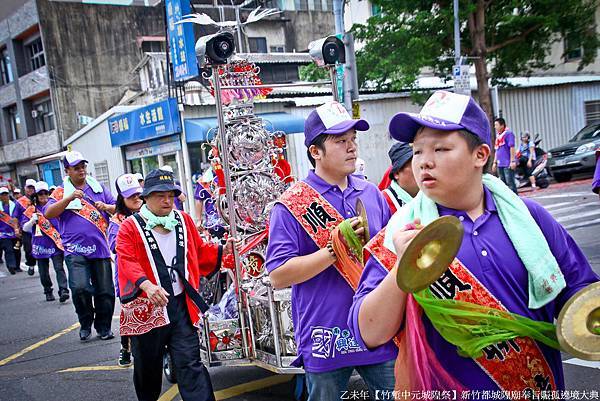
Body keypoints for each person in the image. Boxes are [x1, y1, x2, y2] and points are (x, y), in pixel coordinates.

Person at [349, 90, 600, 393]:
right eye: (417, 151)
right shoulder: (403, 233)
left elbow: (581, 295)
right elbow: (369, 332)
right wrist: (403, 267)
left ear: (480, 155)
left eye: (440, 149)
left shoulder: (528, 219)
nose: (424, 162)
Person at [265, 101, 396, 401]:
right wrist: (334, 251)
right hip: (326, 335)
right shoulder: (291, 205)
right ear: (315, 152)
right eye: (340, 141)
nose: (351, 148)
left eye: (353, 140)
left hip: (375, 329)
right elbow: (279, 276)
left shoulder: (371, 193)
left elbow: (389, 255)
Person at [116, 169, 235, 401]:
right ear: (145, 197)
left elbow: (198, 253)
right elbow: (126, 260)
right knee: (147, 369)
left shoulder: (183, 220)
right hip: (147, 309)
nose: (167, 200)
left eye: (171, 194)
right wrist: (147, 285)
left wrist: (223, 250)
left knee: (190, 363)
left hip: (181, 305)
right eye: (160, 195)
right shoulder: (130, 227)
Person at [45, 150, 117, 341]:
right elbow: (48, 213)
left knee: (105, 291)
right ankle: (85, 323)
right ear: (67, 170)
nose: (81, 171)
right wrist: (68, 199)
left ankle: (104, 327)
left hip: (100, 247)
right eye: (76, 168)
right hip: (74, 249)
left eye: (83, 167)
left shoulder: (98, 188)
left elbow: (118, 207)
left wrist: (106, 207)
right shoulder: (60, 192)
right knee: (80, 288)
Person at [107, 173, 144, 367]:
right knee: (129, 312)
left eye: (138, 194)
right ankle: (125, 347)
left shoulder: (149, 213)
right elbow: (114, 246)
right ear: (122, 198)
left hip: (150, 271)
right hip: (127, 275)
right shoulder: (116, 221)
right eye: (131, 196)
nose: (137, 199)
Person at [22, 181, 69, 302]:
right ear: (36, 196)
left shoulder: (54, 206)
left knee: (59, 268)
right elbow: (25, 228)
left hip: (55, 242)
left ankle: (63, 290)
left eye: (45, 193)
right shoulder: (31, 210)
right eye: (40, 194)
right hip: (40, 244)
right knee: (44, 271)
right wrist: (32, 221)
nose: (43, 196)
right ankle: (48, 290)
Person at [382, 142, 419, 214]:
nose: (422, 170)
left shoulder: (432, 197)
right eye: (414, 165)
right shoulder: (382, 203)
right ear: (396, 173)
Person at [0, 186, 25, 275]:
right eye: (2, 195)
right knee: (8, 249)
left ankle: (17, 266)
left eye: (5, 194)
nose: (4, 196)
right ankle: (11, 266)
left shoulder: (14, 205)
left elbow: (20, 216)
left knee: (17, 249)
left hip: (15, 232)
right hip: (3, 234)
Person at [194, 169, 225, 239]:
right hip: (214, 218)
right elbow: (199, 200)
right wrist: (199, 220)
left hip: (231, 215)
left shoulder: (229, 173)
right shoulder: (204, 179)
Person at [17, 178, 38, 275]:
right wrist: (16, 228)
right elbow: (15, 217)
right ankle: (31, 265)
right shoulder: (20, 202)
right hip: (27, 230)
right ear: (25, 188)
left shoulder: (39, 198)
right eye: (29, 188)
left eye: (32, 188)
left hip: (39, 229)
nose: (30, 190)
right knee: (29, 249)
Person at [493, 117, 518, 194]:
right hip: (500, 163)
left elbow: (512, 147)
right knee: (503, 184)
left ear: (502, 125)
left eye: (496, 125)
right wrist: (494, 162)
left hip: (507, 163)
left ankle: (515, 200)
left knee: (510, 183)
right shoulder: (498, 136)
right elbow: (497, 149)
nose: (495, 127)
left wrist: (512, 161)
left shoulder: (508, 134)